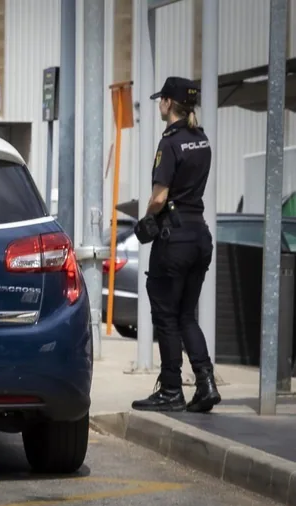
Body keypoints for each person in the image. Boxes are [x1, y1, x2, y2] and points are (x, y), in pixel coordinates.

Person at [131, 76, 221, 413]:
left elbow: (160, 196)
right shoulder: (201, 139)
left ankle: (171, 389)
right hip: (199, 235)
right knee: (186, 315)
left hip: (174, 239)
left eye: (161, 100)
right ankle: (206, 382)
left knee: (166, 317)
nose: (158, 105)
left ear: (169, 103)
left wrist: (146, 220)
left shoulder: (169, 142)